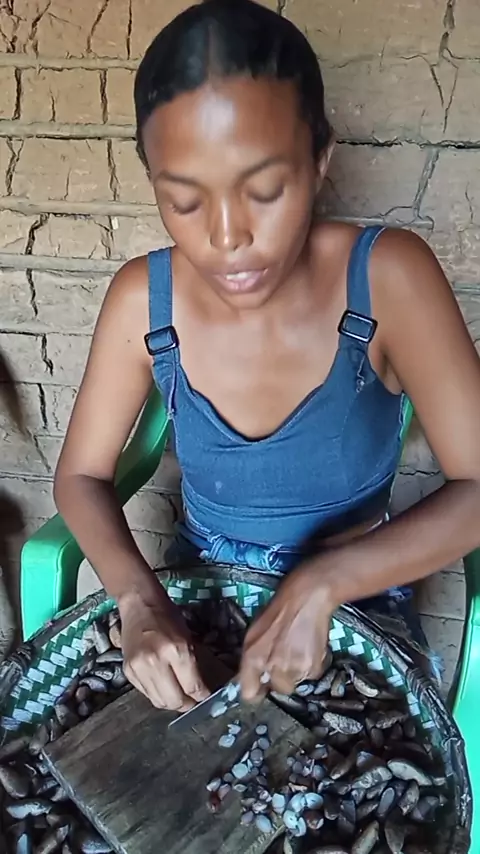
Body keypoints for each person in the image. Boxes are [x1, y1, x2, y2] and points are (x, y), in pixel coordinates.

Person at [54, 0, 480, 713]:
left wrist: (327, 581)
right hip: (198, 596)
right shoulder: (143, 301)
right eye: (185, 201)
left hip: (354, 600)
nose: (228, 237)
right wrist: (136, 596)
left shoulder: (388, 280)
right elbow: (80, 476)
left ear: (320, 159)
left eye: (266, 190)